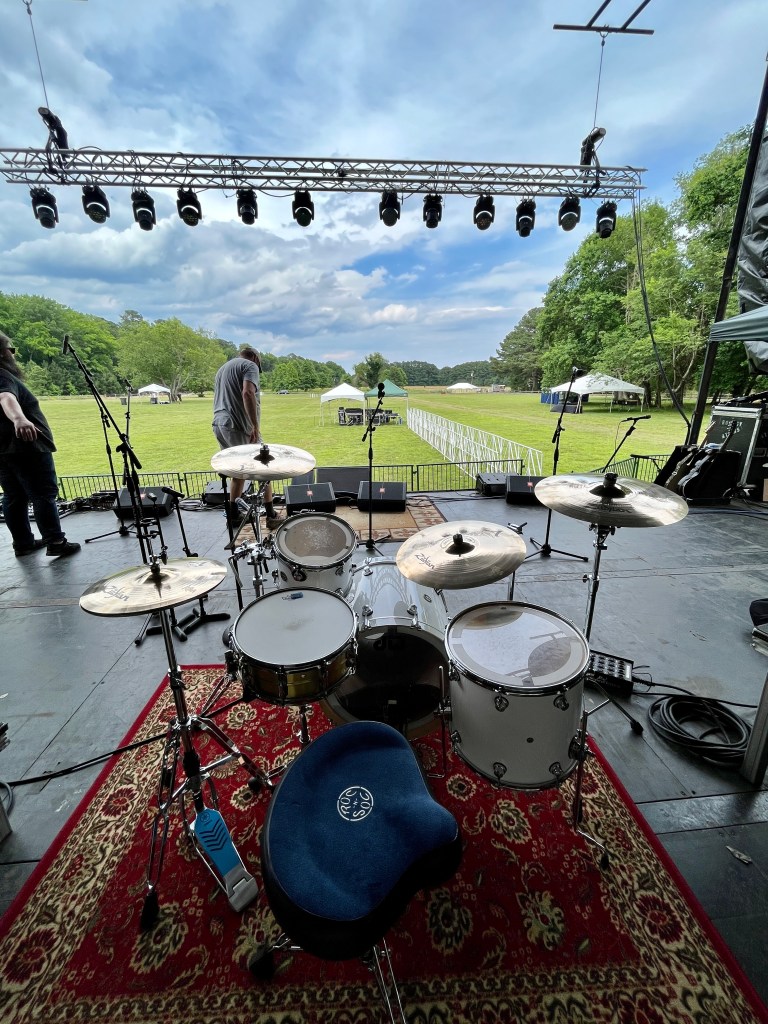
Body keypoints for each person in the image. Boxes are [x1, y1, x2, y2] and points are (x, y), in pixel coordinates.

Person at [0, 331, 81, 557]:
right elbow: (6, 397)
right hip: (27, 447)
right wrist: (19, 419)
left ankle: (23, 543)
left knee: (13, 495)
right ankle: (55, 541)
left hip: (3, 450)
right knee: (43, 493)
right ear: (2, 353)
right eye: (10, 350)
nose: (13, 355)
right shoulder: (3, 375)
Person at [212, 345, 281, 530]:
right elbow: (247, 392)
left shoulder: (223, 369)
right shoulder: (249, 366)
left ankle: (234, 515)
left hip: (219, 424)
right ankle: (271, 515)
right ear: (256, 359)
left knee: (237, 470)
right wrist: (255, 426)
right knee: (264, 466)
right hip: (239, 425)